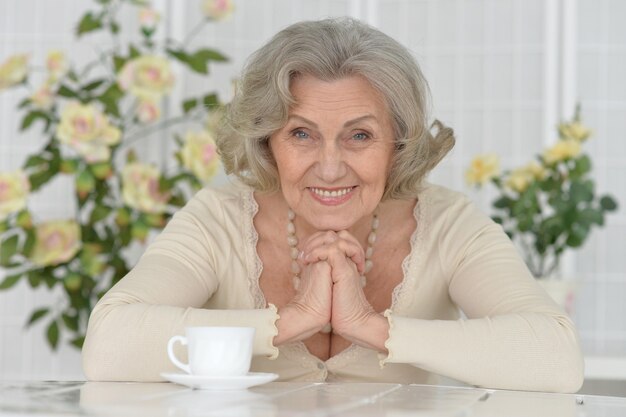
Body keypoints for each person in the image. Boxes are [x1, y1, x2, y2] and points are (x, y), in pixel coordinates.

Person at [82, 17, 584, 392]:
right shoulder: (218, 219)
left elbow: (557, 358)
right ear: (266, 142)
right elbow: (108, 347)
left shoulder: (450, 224)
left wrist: (372, 327)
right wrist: (289, 320)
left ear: (399, 143)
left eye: (359, 135)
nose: (329, 167)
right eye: (301, 133)